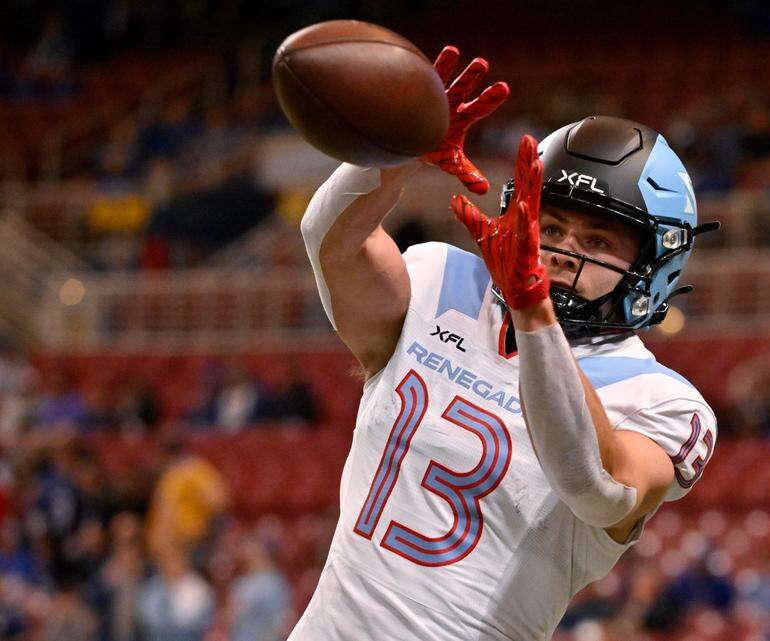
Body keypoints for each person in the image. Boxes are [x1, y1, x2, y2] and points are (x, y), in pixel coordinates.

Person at [287, 45, 718, 641]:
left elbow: (601, 487)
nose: (564, 253)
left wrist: (533, 307)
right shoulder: (440, 279)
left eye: (598, 242)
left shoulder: (664, 400)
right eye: (553, 227)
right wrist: (392, 152)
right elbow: (329, 242)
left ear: (654, 264)